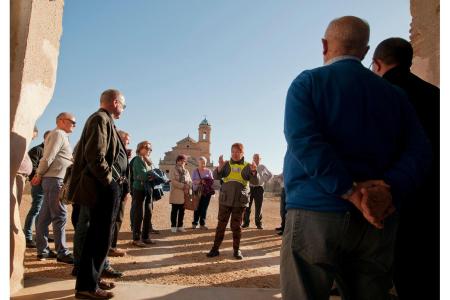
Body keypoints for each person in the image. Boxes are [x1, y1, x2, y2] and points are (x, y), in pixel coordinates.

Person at [281, 16, 431, 300]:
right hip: (376, 220)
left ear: (325, 45)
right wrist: (387, 191)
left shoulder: (307, 83)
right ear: (365, 51)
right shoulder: (395, 96)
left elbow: (304, 143)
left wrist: (350, 191)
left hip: (316, 213)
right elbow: (420, 152)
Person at [372, 37, 439, 300]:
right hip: (434, 199)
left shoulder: (379, 95)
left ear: (377, 64)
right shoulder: (437, 96)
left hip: (395, 198)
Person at [68, 89, 127, 299]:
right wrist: (109, 181)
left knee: (100, 238)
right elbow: (95, 155)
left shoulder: (105, 120)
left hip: (103, 186)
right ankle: (87, 287)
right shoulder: (100, 119)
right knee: (98, 238)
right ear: (114, 102)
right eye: (123, 104)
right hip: (100, 187)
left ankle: (93, 278)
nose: (123, 109)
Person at [31, 113, 76, 264]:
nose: (74, 125)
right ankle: (62, 252)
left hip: (53, 179)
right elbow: (48, 156)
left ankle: (42, 251)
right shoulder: (57, 133)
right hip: (54, 179)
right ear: (61, 121)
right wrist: (38, 173)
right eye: (72, 122)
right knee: (60, 215)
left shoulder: (60, 135)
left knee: (44, 217)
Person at [206, 143, 259, 260]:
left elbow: (255, 182)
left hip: (239, 202)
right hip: (225, 201)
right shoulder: (226, 164)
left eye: (237, 152)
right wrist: (219, 167)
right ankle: (215, 249)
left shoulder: (248, 166)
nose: (235, 154)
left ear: (242, 153)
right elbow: (216, 176)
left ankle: (236, 250)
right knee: (221, 226)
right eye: (233, 151)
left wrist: (254, 171)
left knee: (236, 227)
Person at [23, 128, 51, 248]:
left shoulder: (50, 151)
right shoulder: (37, 150)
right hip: (39, 185)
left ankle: (41, 235)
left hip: (49, 185)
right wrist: (40, 178)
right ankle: (28, 237)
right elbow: (32, 168)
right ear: (46, 138)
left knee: (44, 212)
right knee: (36, 209)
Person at [108, 130, 132, 257]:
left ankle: (112, 245)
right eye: (127, 139)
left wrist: (127, 190)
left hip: (122, 189)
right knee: (112, 219)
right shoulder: (113, 149)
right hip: (115, 188)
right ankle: (109, 247)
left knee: (118, 218)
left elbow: (125, 172)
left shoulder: (123, 151)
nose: (128, 142)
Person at [130, 141, 156, 247]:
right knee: (138, 214)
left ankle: (145, 237)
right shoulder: (137, 159)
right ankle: (136, 239)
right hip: (139, 189)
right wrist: (153, 176)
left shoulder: (148, 161)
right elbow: (142, 175)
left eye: (150, 149)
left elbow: (150, 175)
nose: (148, 150)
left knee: (148, 212)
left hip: (148, 189)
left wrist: (152, 175)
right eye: (146, 147)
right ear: (140, 148)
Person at [242, 153, 272, 229]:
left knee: (258, 207)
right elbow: (245, 176)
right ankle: (246, 223)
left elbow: (270, 174)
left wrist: (264, 180)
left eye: (258, 158)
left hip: (259, 188)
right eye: (255, 158)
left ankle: (258, 224)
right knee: (247, 206)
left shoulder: (262, 167)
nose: (256, 159)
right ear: (253, 159)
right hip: (250, 188)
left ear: (260, 159)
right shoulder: (249, 166)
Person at [169, 154, 192, 233]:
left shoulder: (186, 171)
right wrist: (183, 186)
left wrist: (188, 186)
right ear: (178, 160)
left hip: (184, 194)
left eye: (184, 161)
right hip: (176, 193)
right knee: (174, 211)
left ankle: (180, 226)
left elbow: (190, 181)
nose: (183, 162)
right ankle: (173, 226)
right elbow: (173, 181)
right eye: (182, 160)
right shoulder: (173, 169)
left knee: (182, 211)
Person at [191, 156, 215, 229]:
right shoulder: (195, 171)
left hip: (207, 192)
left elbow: (212, 181)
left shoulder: (208, 171)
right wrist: (200, 181)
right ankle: (195, 223)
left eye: (204, 163)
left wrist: (207, 182)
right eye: (201, 163)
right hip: (197, 191)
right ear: (198, 163)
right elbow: (192, 181)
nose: (203, 164)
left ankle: (202, 224)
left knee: (204, 208)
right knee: (197, 207)